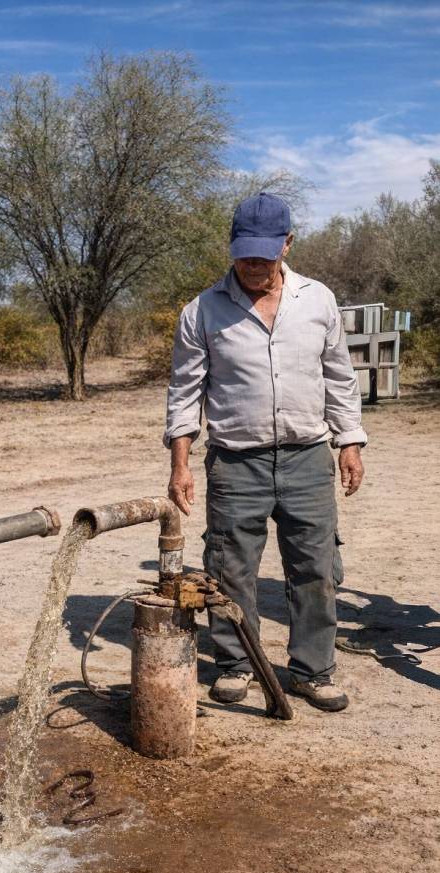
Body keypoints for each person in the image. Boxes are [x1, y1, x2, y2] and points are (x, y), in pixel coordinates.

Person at [165, 192, 366, 712]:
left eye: (264, 253)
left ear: (287, 244)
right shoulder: (202, 310)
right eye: (244, 253)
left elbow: (340, 378)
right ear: (231, 247)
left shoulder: (317, 300)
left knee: (316, 569)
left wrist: (349, 442)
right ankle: (236, 665)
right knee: (231, 570)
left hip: (307, 457)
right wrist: (181, 464)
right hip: (236, 463)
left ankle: (312, 671)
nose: (253, 265)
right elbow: (185, 393)